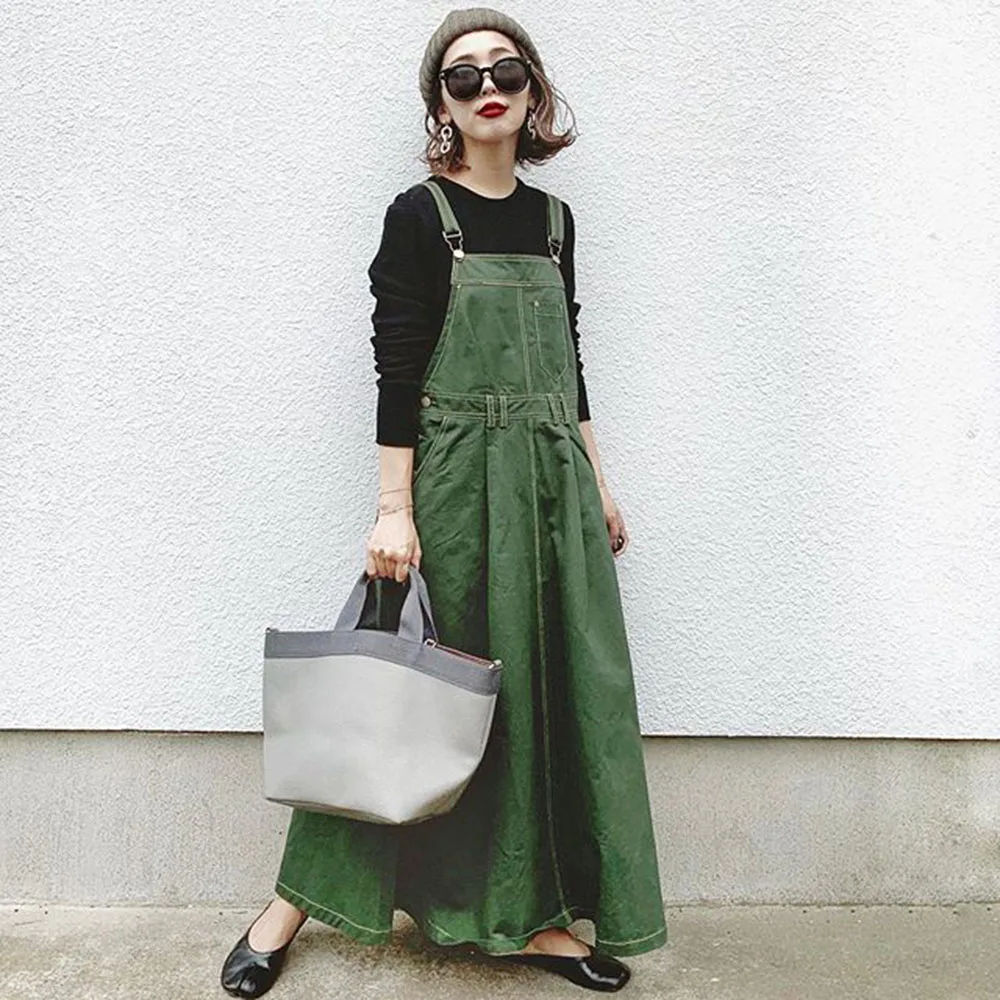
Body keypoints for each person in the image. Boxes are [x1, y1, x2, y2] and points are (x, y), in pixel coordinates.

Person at [221, 8, 667, 996]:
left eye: (505, 70)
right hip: (458, 484)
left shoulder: (555, 222)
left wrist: (597, 479)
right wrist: (394, 507)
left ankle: (532, 918)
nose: (487, 88)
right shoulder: (420, 216)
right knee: (402, 699)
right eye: (463, 77)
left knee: (543, 696)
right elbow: (396, 368)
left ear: (533, 90)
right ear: (442, 106)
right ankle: (288, 906)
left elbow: (571, 362)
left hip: (550, 486)